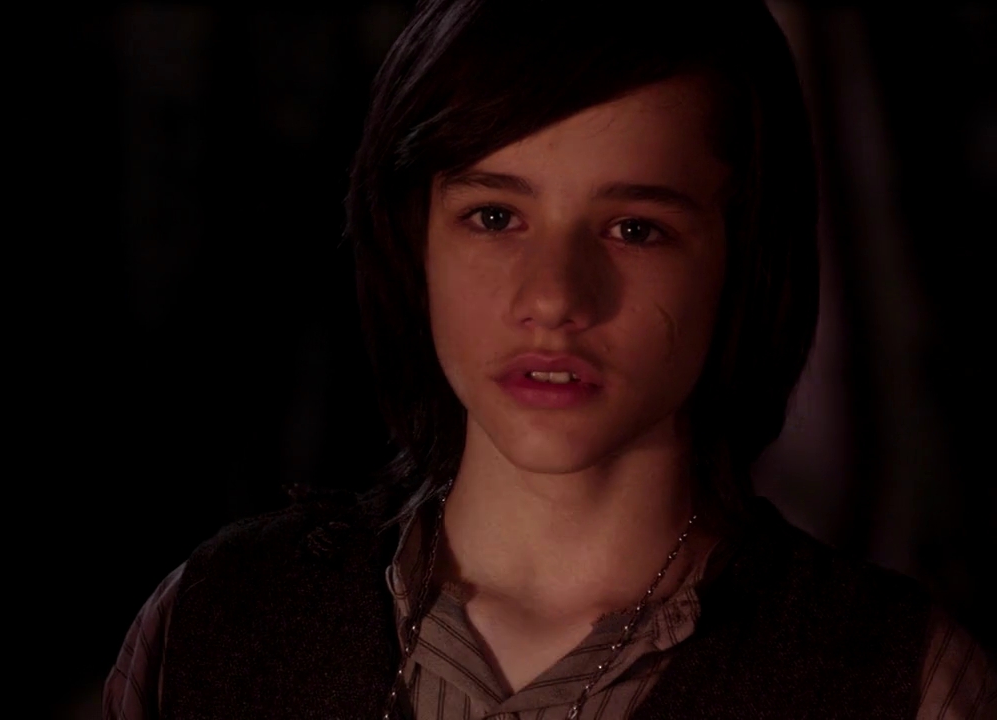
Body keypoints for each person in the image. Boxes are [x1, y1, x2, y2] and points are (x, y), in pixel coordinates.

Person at [104, 1, 994, 717]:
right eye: (494, 217)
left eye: (634, 229)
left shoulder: (895, 679)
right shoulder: (215, 623)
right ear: (414, 240)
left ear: (741, 257)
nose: (555, 298)